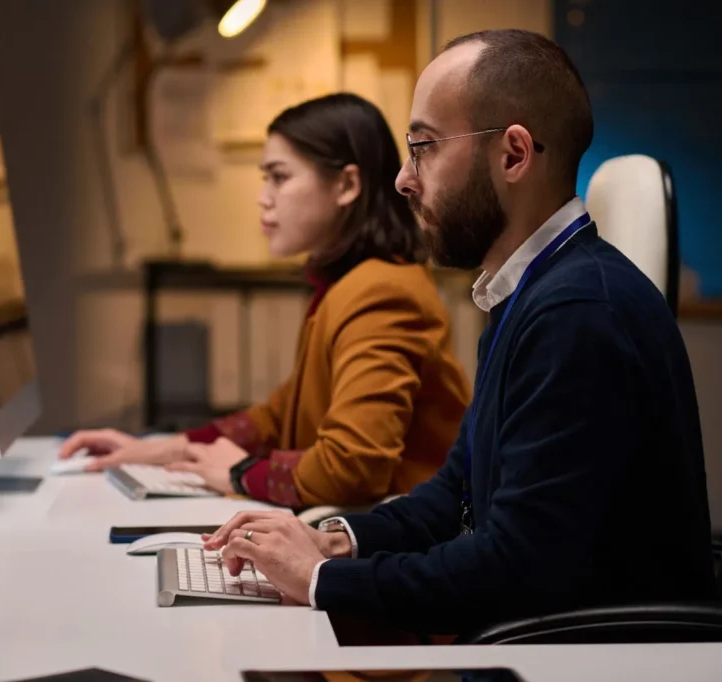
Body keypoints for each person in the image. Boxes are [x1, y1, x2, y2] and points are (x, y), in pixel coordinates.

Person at [204, 29, 716, 634]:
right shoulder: (526, 294)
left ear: (514, 155)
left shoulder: (579, 313)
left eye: (423, 147)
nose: (402, 178)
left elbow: (515, 564)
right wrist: (334, 540)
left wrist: (320, 582)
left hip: (574, 661)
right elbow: (458, 493)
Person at [60, 93, 470, 509]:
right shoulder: (351, 284)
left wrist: (239, 472)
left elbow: (352, 467)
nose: (263, 197)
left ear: (347, 185)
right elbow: (278, 416)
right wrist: (170, 448)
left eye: (279, 176)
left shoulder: (380, 291)